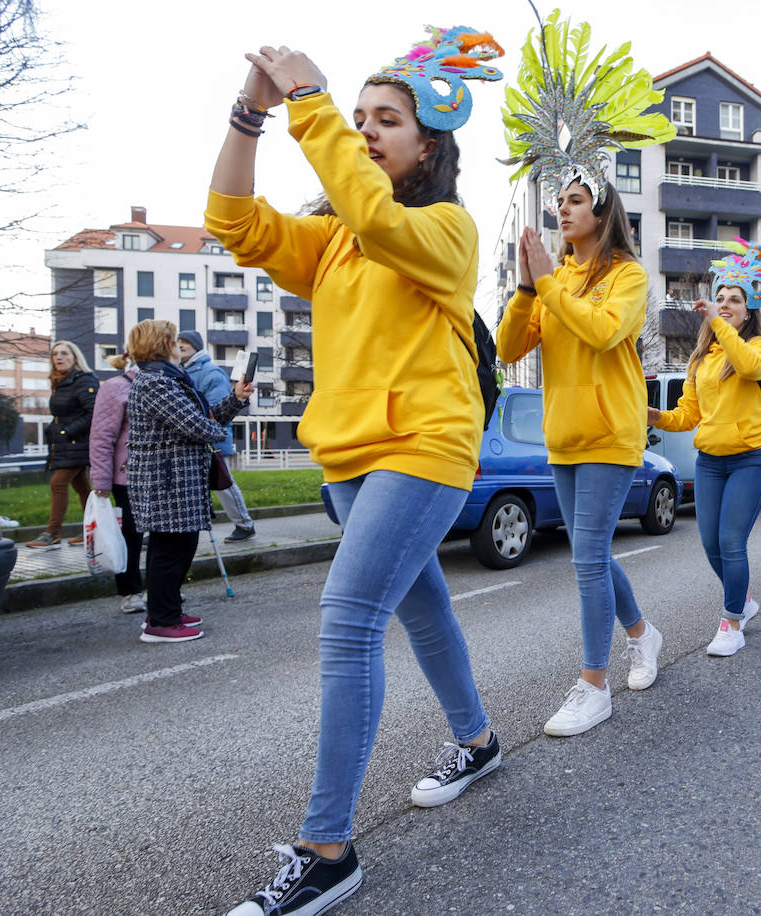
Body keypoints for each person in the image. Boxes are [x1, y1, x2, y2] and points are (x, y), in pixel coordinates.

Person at [207, 33, 507, 916]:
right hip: (348, 455)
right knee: (425, 610)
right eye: (361, 118)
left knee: (347, 621)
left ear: (431, 144)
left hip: (425, 443)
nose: (366, 131)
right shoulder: (337, 241)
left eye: (387, 120)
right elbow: (235, 224)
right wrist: (250, 112)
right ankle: (478, 740)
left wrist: (313, 101)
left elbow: (377, 215)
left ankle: (327, 849)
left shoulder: (445, 230)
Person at [497, 16, 673, 737]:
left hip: (611, 428)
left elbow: (604, 333)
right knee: (588, 552)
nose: (560, 209)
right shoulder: (557, 277)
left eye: (572, 201)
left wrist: (555, 288)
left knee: (587, 558)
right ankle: (642, 635)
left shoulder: (627, 274)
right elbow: (511, 349)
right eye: (557, 201)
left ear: (600, 210)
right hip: (563, 431)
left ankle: (592, 683)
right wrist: (524, 285)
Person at [649, 239, 761, 657]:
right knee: (709, 543)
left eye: (734, 300)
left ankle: (732, 622)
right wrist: (658, 417)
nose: (725, 305)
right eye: (720, 298)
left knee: (730, 541)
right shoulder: (701, 357)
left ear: (749, 309)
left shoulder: (760, 348)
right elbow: (689, 413)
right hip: (710, 461)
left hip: (751, 458)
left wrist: (718, 324)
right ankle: (741, 599)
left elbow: (748, 365)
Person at [126, 319, 250, 644]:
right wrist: (216, 431)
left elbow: (200, 418)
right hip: (167, 481)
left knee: (176, 548)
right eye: (174, 342)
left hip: (176, 480)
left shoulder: (169, 379)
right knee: (170, 551)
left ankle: (164, 612)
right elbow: (196, 425)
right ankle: (162, 622)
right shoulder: (155, 382)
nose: (178, 348)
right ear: (162, 345)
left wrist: (235, 397)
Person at [176, 330, 256, 541]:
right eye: (178, 342)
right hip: (196, 439)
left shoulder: (210, 373)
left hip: (213, 440)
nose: (180, 345)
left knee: (224, 484)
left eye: (185, 342)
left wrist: (207, 430)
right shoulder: (182, 371)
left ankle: (244, 525)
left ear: (196, 346)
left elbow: (219, 411)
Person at [88, 351, 147, 614]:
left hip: (158, 473)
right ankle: (130, 590)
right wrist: (100, 480)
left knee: (163, 537)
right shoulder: (115, 387)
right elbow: (102, 437)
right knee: (131, 536)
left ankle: (162, 587)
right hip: (128, 476)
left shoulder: (166, 384)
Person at [25, 341, 97, 549]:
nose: (59, 357)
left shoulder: (83, 380)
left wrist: (67, 431)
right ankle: (91, 530)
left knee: (58, 483)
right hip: (65, 444)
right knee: (83, 487)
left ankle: (52, 532)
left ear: (75, 358)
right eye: (55, 354)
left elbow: (93, 412)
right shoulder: (61, 382)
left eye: (64, 353)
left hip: (77, 443)